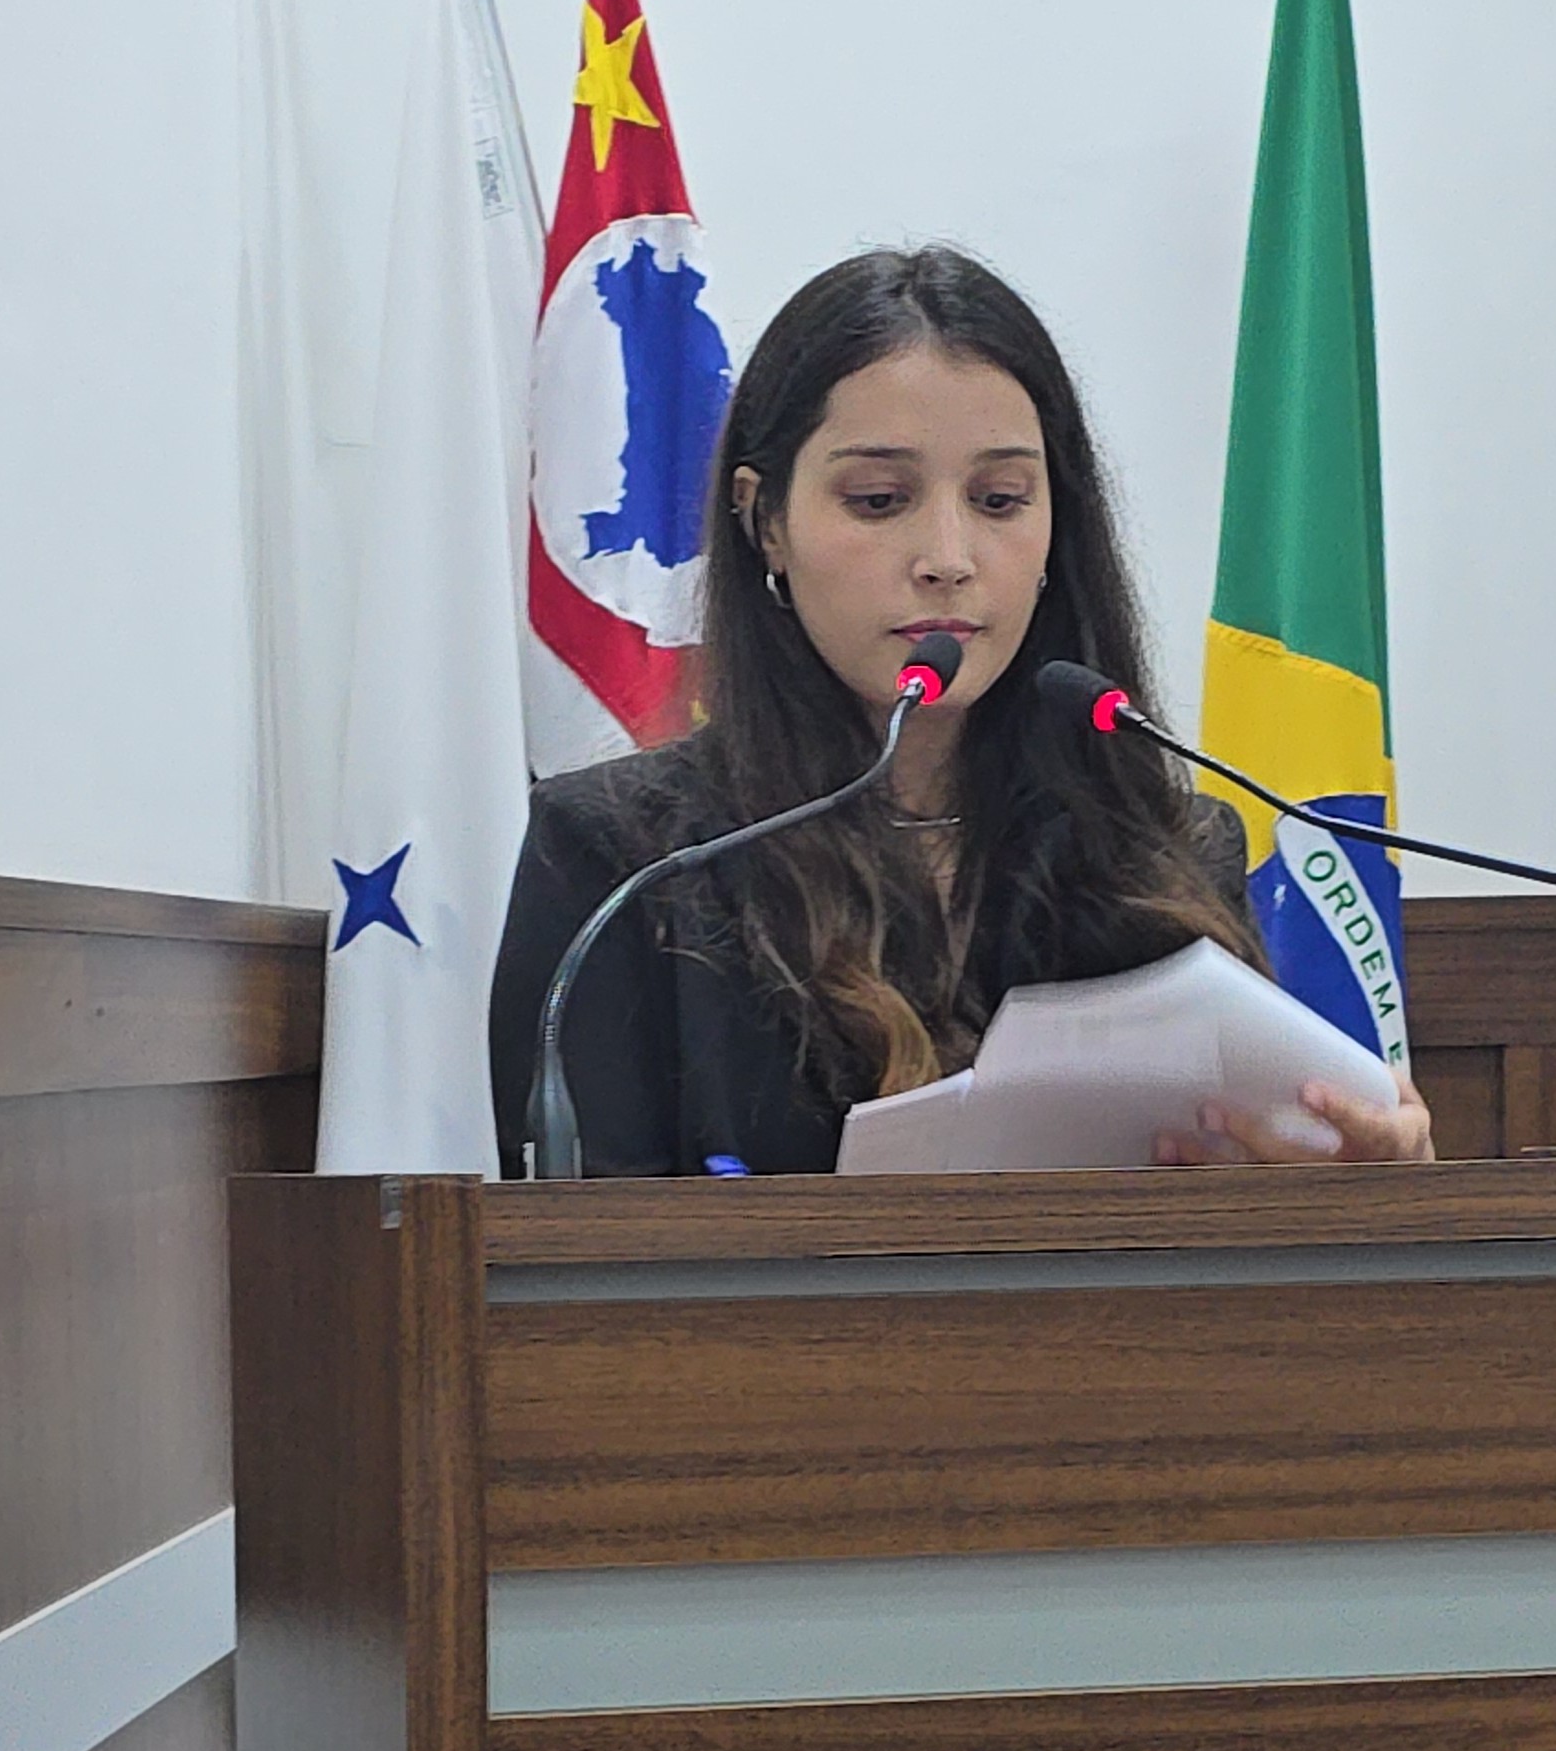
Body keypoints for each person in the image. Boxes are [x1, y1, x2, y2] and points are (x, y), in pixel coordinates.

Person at [489, 243, 1434, 1177]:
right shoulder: (618, 861)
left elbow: (1252, 1220)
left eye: (999, 498)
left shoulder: (1172, 846)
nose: (948, 553)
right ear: (763, 518)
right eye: (879, 499)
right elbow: (583, 1269)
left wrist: (1353, 1183)